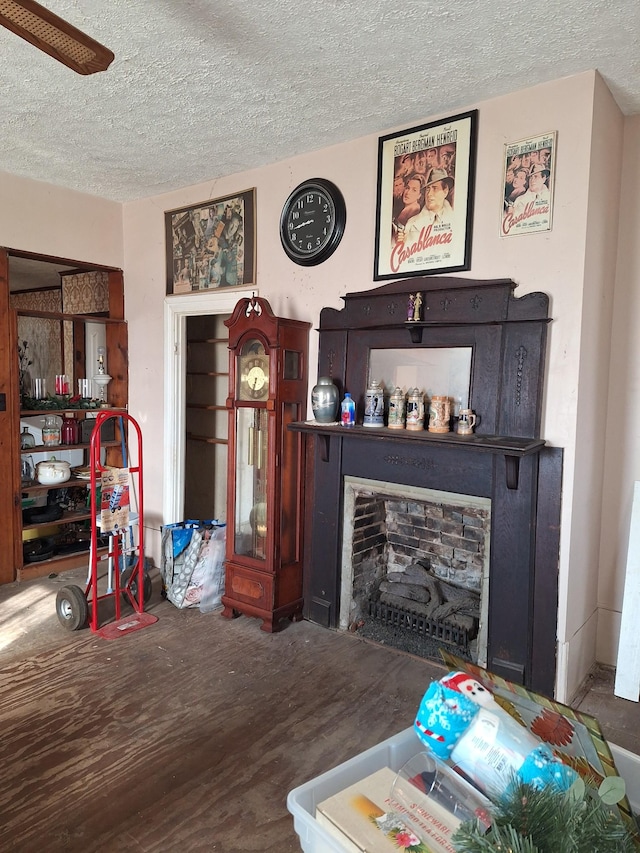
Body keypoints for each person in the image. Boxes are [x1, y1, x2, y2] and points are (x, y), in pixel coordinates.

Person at [400, 168, 455, 243]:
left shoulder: (455, 219)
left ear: (445, 191)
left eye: (435, 188)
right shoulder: (412, 222)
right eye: (428, 189)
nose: (429, 194)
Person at [392, 173, 425, 241]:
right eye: (407, 188)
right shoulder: (403, 207)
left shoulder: (413, 209)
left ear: (419, 195)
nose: (408, 192)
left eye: (414, 190)